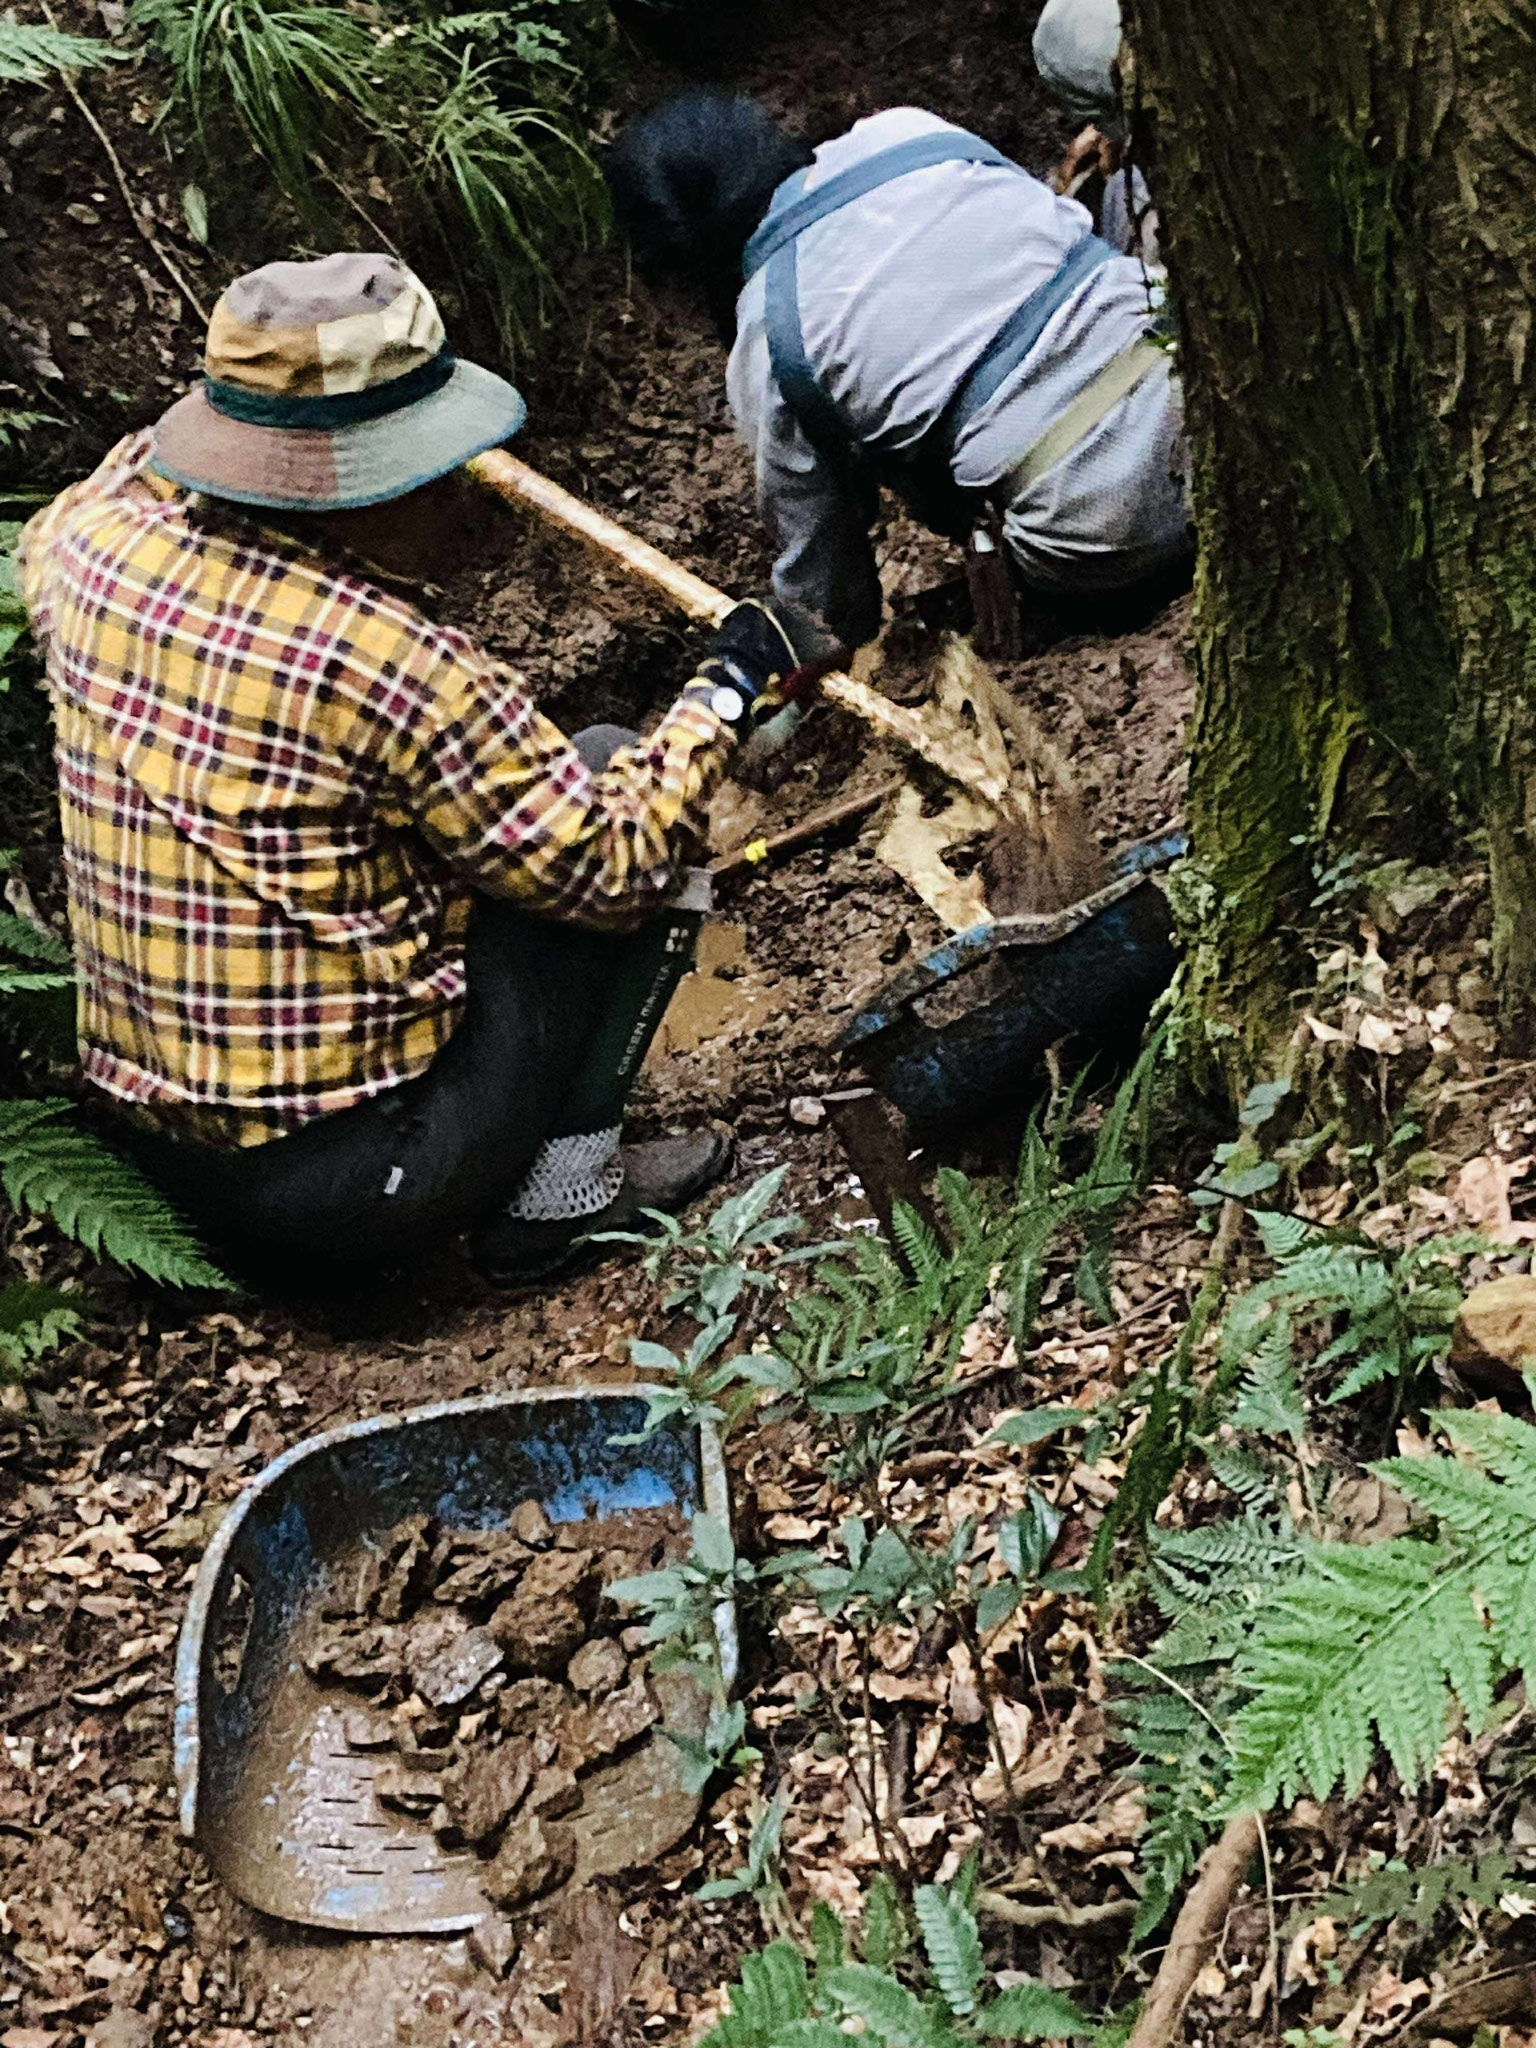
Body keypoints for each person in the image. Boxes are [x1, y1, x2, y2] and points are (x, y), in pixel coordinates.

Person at [17, 252, 800, 1286]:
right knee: (617, 773)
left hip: (158, 1171)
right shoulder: (387, 661)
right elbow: (617, 865)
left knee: (444, 835)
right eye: (428, 467)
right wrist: (727, 690)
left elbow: (140, 466)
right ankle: (558, 1202)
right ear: (352, 478)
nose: (454, 494)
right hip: (361, 1187)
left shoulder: (81, 539)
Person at [606, 96, 1188, 670]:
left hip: (1108, 530)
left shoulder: (770, 334)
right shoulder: (908, 132)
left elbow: (827, 595)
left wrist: (784, 652)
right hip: (1207, 399)